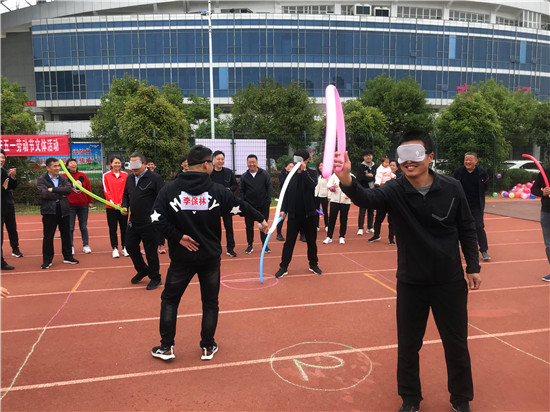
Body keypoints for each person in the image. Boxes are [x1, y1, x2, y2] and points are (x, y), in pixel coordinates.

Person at [333, 130, 481, 412]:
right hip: (411, 282)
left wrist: (472, 265)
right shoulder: (394, 190)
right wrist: (346, 179)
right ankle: (410, 399)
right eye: (403, 155)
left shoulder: (452, 187)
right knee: (409, 345)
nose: (408, 161)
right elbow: (367, 198)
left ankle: (461, 399)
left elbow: (467, 226)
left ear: (430, 157)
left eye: (416, 154)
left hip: (449, 281)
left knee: (456, 344)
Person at [150, 144, 268, 361]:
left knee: (170, 300)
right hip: (210, 258)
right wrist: (260, 219)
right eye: (212, 162)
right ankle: (207, 346)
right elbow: (240, 206)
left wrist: (178, 237)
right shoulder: (218, 191)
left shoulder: (169, 190)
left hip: (182, 258)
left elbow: (156, 218)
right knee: (210, 302)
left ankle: (166, 347)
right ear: (206, 164)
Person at [274, 150, 322, 279]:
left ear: (306, 160)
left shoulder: (311, 173)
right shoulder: (290, 175)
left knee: (311, 242)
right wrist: (283, 209)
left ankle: (313, 264)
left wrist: (303, 171)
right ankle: (283, 267)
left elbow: (312, 186)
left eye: (300, 160)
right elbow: (285, 193)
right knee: (289, 242)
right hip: (294, 215)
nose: (297, 163)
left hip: (310, 215)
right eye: (295, 161)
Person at [121, 152, 165, 290]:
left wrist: (157, 217)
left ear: (144, 164)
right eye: (132, 164)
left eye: (137, 164)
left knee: (150, 251)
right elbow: (125, 195)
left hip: (150, 221)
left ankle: (155, 277)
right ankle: (142, 269)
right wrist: (124, 206)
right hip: (134, 220)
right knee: (130, 246)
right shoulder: (129, 178)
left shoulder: (155, 178)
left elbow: (162, 198)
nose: (134, 168)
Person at [37, 158, 79, 269]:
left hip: (64, 210)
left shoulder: (63, 179)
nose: (57, 168)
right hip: (49, 211)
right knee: (48, 236)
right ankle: (47, 260)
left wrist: (52, 189)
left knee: (66, 234)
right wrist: (60, 194)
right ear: (48, 168)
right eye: (54, 166)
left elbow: (68, 190)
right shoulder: (42, 180)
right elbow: (44, 194)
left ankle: (68, 256)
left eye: (58, 166)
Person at [453, 153, 491, 261]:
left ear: (476, 161)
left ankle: (484, 251)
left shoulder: (482, 173)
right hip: (461, 205)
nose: (468, 162)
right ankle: (467, 251)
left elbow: (485, 188)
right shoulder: (458, 172)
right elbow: (453, 186)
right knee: (463, 228)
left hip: (477, 206)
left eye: (470, 159)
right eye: (466, 159)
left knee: (479, 227)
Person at [240, 154, 272, 254]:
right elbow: (242, 191)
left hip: (263, 206)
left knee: (263, 226)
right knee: (249, 226)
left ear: (257, 163)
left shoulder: (264, 174)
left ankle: (265, 245)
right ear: (247, 163)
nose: (252, 164)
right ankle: (250, 245)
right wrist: (244, 203)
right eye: (250, 162)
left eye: (253, 162)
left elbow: (269, 187)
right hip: (249, 206)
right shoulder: (244, 176)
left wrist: (268, 201)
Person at [62, 158, 93, 254]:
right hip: (70, 205)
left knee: (83, 226)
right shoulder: (64, 177)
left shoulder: (83, 175)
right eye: (71, 163)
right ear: (67, 166)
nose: (73, 164)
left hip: (83, 205)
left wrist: (90, 201)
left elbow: (88, 188)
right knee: (70, 227)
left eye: (74, 163)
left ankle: (86, 245)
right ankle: (70, 246)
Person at [210, 150, 238, 257]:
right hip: (213, 204)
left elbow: (235, 185)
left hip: (226, 203)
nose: (220, 161)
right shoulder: (209, 172)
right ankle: (215, 248)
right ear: (213, 160)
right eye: (218, 159)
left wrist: (229, 190)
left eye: (222, 159)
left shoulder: (228, 172)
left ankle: (230, 248)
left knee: (229, 227)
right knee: (214, 228)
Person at [103, 156, 130, 258]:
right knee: (112, 228)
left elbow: (127, 190)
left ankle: (124, 248)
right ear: (111, 164)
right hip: (111, 207)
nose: (117, 165)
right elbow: (106, 191)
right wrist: (114, 204)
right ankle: (114, 248)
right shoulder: (106, 176)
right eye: (115, 163)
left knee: (124, 228)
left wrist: (123, 204)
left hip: (123, 207)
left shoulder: (125, 175)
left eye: (119, 163)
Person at [0, 150, 22, 261]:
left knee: (12, 228)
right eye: (0, 157)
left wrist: (13, 177)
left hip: (7, 204)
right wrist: (3, 188)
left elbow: (11, 186)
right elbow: (4, 188)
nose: (1, 160)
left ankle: (15, 249)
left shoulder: (4, 172)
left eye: (3, 157)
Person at [530, 165, 550, 282]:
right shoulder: (544, 172)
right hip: (546, 212)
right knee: (549, 244)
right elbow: (534, 189)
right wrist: (543, 192)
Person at [368, 156, 395, 243]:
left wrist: (393, 176)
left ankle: (391, 238)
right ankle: (376, 235)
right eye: (386, 162)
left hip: (390, 194)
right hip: (382, 192)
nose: (388, 164)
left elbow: (391, 174)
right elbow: (378, 177)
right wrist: (377, 183)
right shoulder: (379, 170)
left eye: (388, 163)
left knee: (391, 220)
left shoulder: (389, 169)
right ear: (382, 163)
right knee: (378, 218)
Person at [323, 172, 352, 245]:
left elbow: (354, 187)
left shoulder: (350, 175)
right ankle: (329, 237)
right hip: (334, 200)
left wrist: (349, 195)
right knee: (332, 219)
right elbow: (329, 184)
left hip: (345, 201)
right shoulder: (334, 175)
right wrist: (332, 187)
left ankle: (342, 236)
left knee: (343, 219)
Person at [146, 158, 166, 254]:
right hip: (147, 206)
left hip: (157, 206)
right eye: (149, 164)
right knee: (147, 227)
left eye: (152, 164)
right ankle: (147, 246)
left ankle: (161, 245)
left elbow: (162, 191)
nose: (151, 166)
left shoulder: (158, 177)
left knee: (159, 224)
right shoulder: (143, 178)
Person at [356, 150, 377, 235]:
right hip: (364, 190)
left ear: (372, 156)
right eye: (366, 156)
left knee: (371, 210)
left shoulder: (375, 166)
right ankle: (360, 228)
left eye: (370, 155)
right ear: (363, 157)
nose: (368, 157)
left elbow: (378, 177)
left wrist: (371, 177)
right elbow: (359, 179)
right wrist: (370, 177)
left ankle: (370, 227)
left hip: (373, 191)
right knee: (362, 210)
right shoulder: (361, 167)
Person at [276, 161, 294, 241]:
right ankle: (279, 233)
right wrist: (290, 173)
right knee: (282, 216)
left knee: (295, 217)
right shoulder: (282, 175)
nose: (291, 168)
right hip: (284, 199)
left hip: (293, 199)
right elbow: (283, 184)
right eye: (290, 167)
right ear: (286, 168)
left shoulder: (296, 175)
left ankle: (301, 233)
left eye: (293, 167)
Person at [314, 162, 330, 232]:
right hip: (316, 195)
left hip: (324, 195)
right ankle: (316, 225)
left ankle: (327, 225)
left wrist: (329, 196)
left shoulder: (327, 175)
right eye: (320, 166)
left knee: (325, 211)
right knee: (316, 210)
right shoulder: (316, 175)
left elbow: (329, 186)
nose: (321, 167)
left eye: (322, 166)